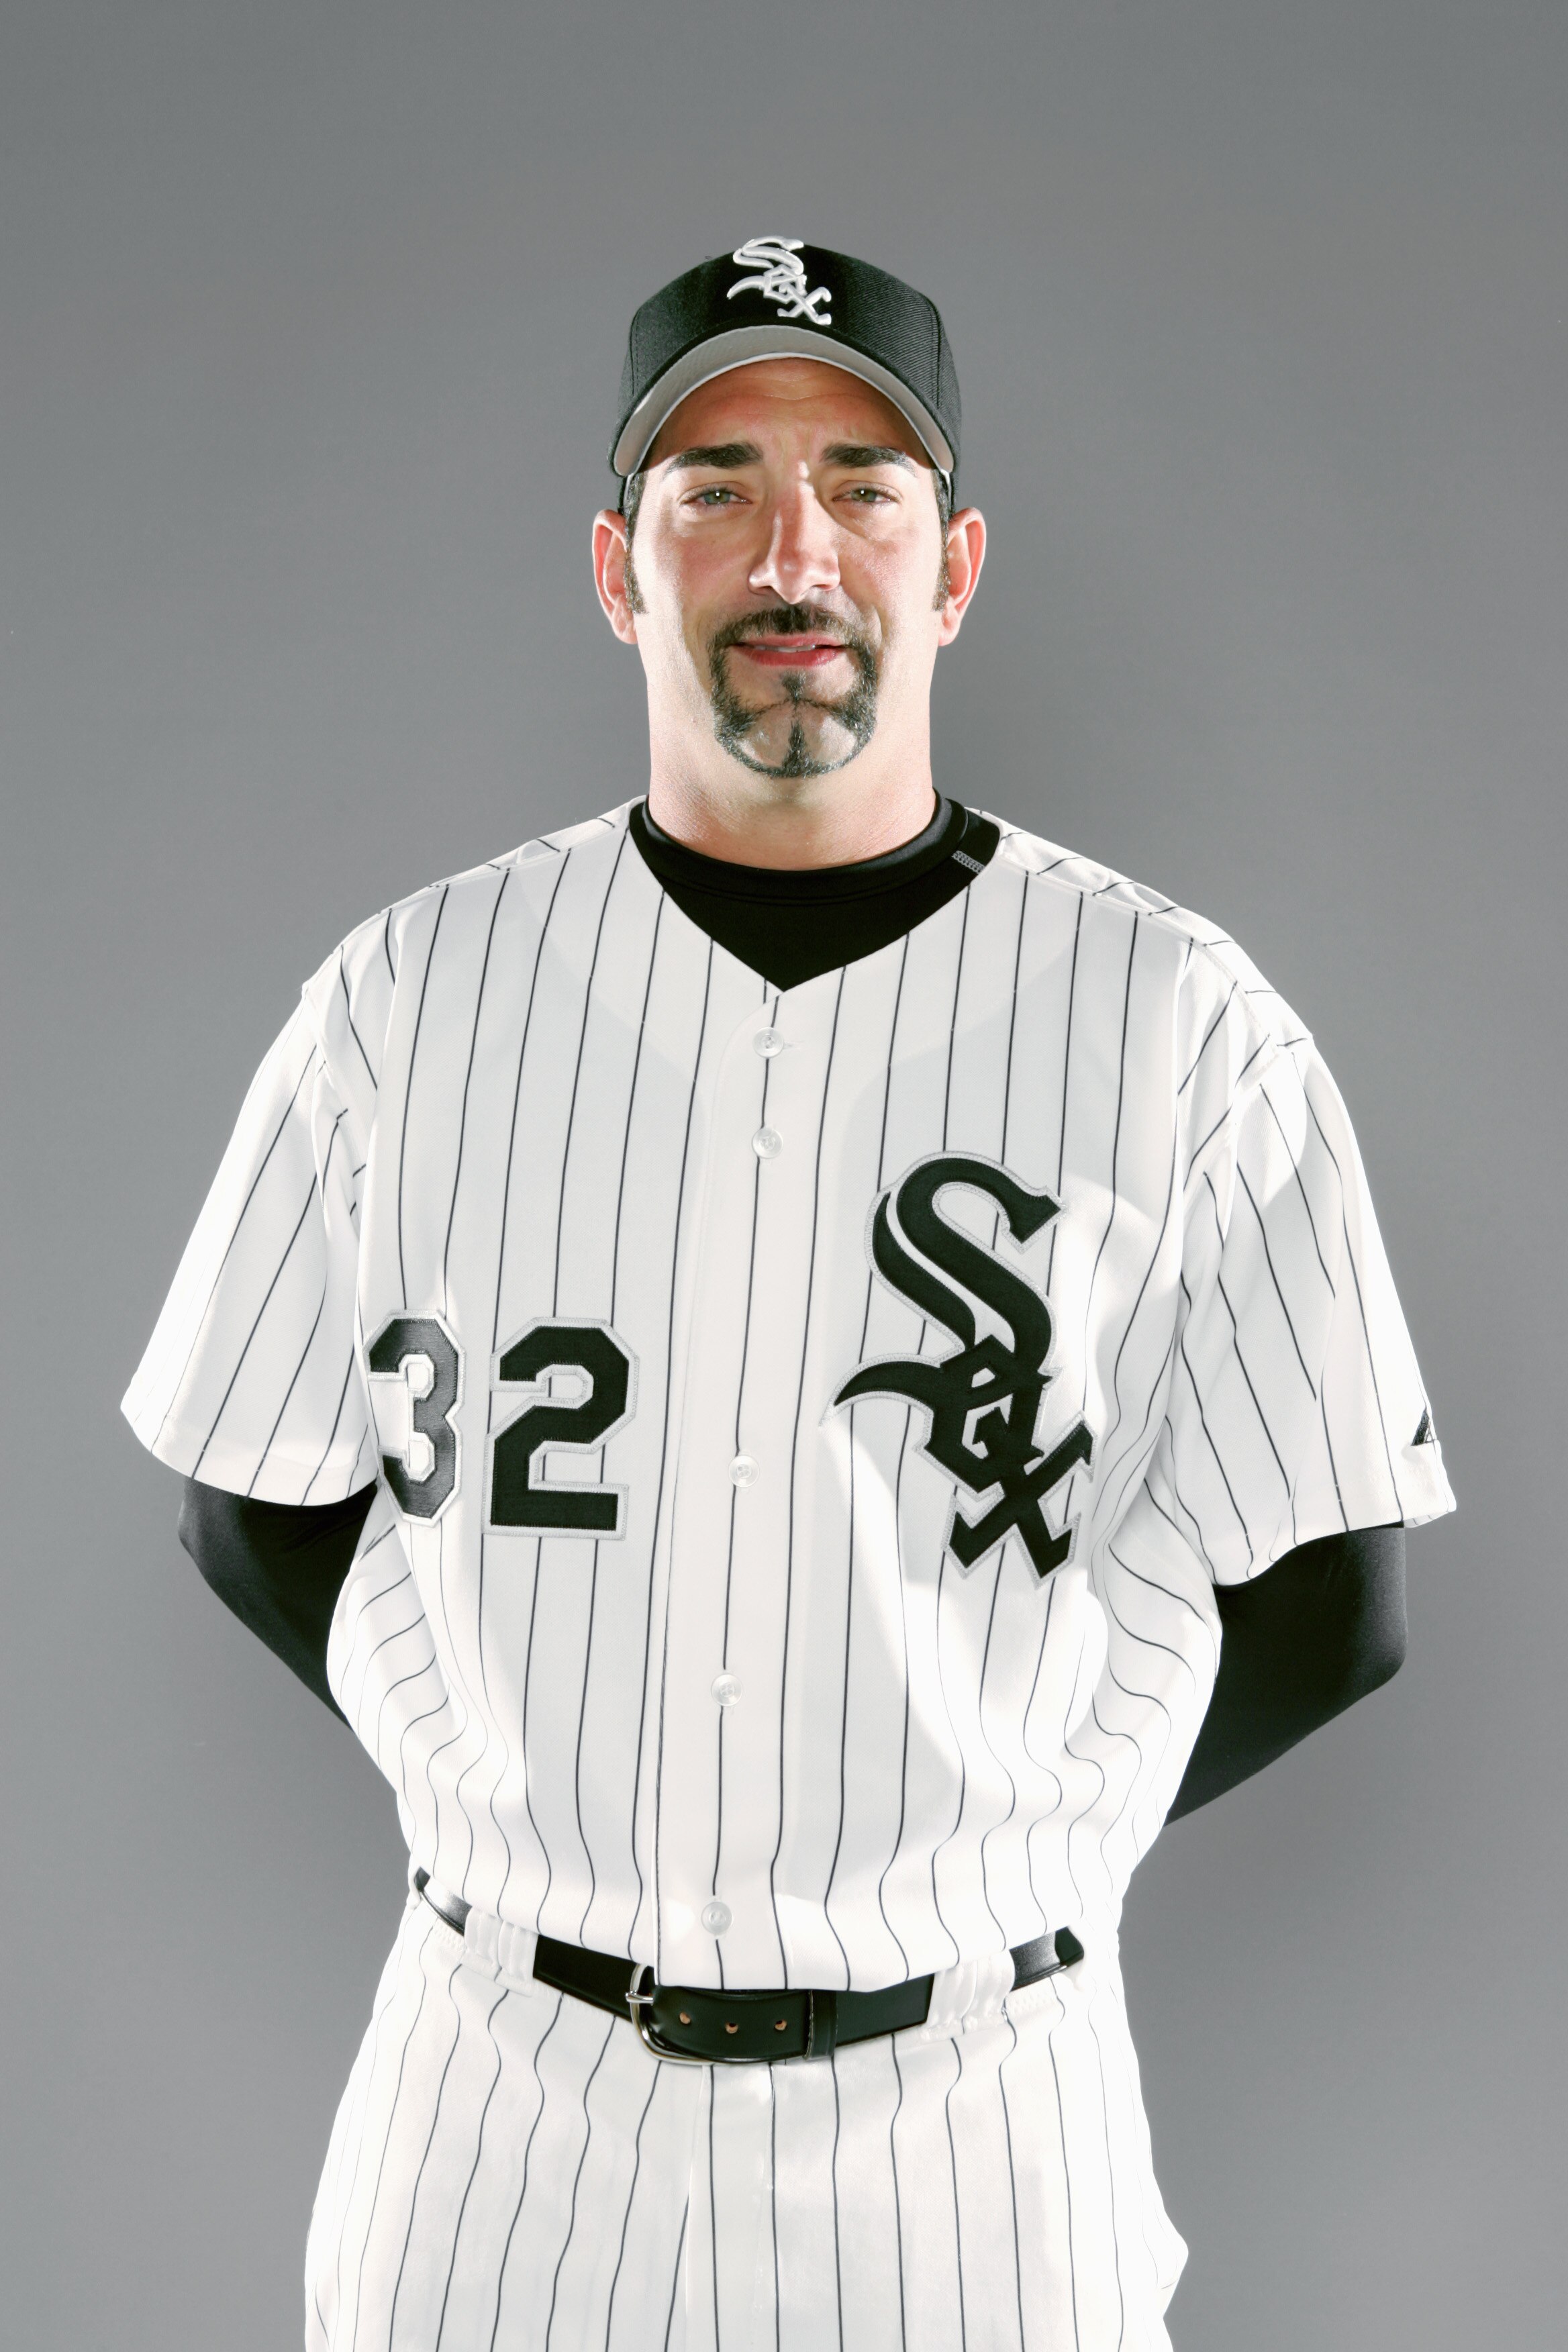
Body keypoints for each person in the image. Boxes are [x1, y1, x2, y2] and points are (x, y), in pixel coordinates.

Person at [124, 238, 1455, 2351]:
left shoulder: (1178, 1026)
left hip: (983, 2137)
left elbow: (1330, 1611)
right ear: (614, 566)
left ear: (955, 567)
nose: (791, 548)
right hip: (500, 2128)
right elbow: (250, 1503)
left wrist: (1014, 1825)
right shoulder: (409, 1003)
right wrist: (476, 1748)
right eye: (715, 484)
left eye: (863, 483)